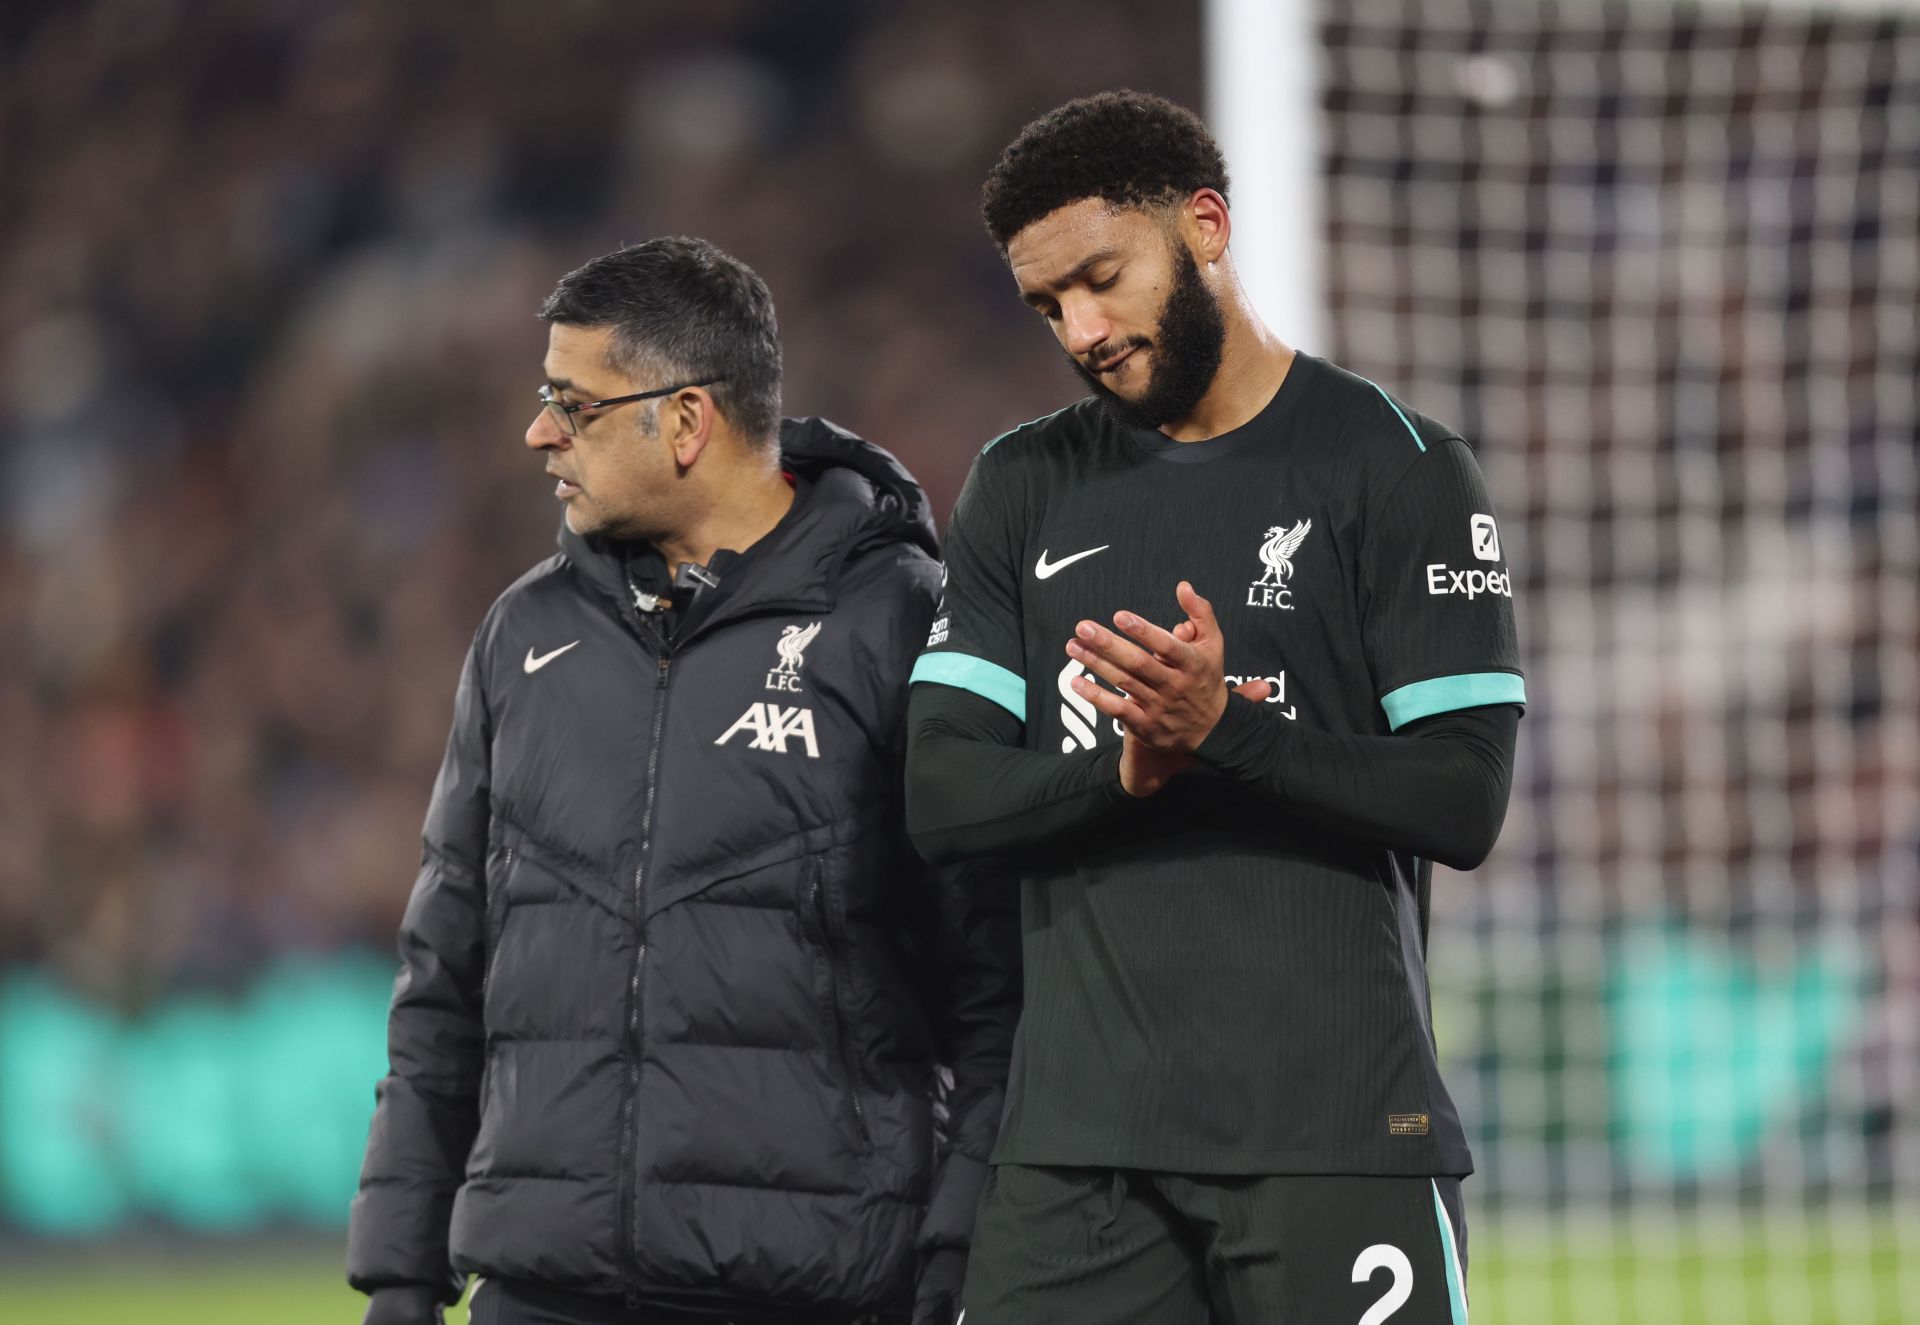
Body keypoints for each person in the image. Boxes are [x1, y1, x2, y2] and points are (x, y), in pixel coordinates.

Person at [904, 91, 1524, 1325]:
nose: (1081, 329)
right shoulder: (1023, 482)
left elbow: (1464, 794)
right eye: (1047, 306)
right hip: (1078, 1156)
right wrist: (1126, 775)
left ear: (1204, 224)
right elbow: (942, 794)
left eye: (1100, 277)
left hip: (1337, 1134)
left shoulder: (1396, 464)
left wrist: (1224, 733)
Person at [348, 237, 1017, 1325]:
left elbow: (995, 990)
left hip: (808, 1290)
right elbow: (444, 976)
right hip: (541, 1291)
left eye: (575, 404)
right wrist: (400, 1270)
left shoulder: (900, 622)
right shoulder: (523, 633)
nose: (539, 433)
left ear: (689, 421)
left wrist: (959, 1255)